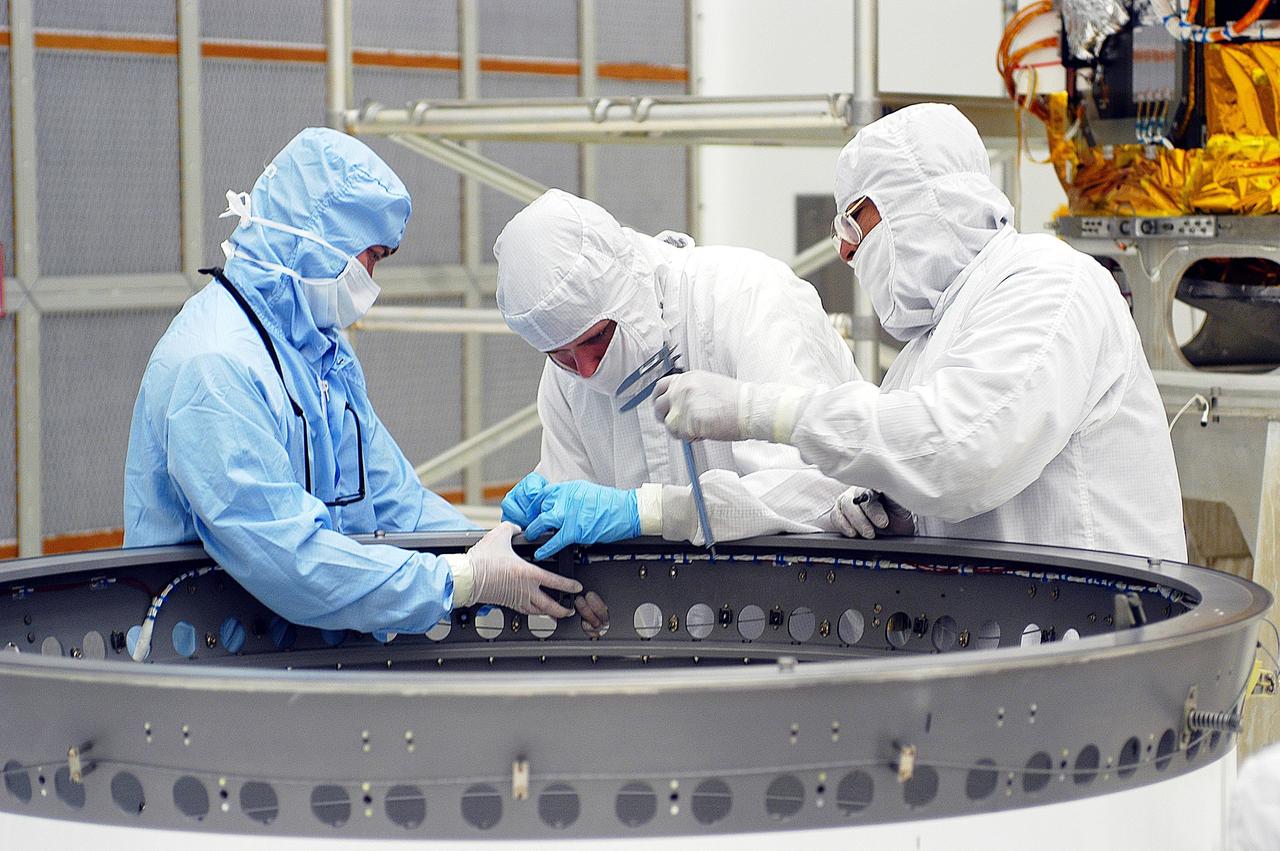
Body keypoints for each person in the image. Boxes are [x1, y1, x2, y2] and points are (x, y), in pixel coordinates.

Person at [654, 103, 1186, 561]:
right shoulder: (924, 348)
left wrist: (756, 409)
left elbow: (961, 452)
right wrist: (894, 510)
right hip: (1014, 645)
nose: (845, 251)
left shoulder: (1048, 283)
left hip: (1102, 639)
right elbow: (927, 466)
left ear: (918, 199)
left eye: (853, 223)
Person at [124, 128, 579, 637]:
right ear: (319, 238)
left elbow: (392, 500)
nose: (372, 278)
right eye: (371, 256)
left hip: (302, 667)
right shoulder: (215, 367)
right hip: (204, 677)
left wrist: (502, 549)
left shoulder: (319, 350)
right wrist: (463, 579)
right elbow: (290, 559)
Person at [494, 189, 905, 577]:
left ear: (626, 290)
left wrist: (651, 511)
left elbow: (819, 488)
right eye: (560, 355)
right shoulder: (564, 381)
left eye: (597, 338)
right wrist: (540, 557)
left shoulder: (745, 296)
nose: (585, 370)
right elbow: (572, 519)